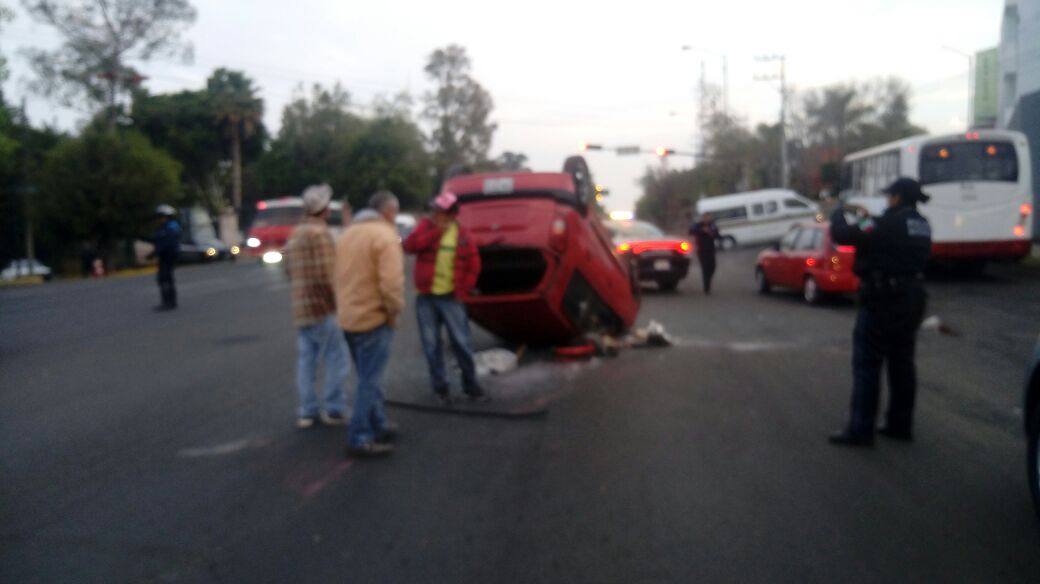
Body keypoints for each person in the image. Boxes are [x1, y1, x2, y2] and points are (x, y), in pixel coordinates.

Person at [828, 177, 932, 448]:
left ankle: (861, 430)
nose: (887, 200)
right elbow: (878, 234)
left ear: (897, 197)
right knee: (902, 363)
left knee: (867, 364)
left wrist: (838, 213)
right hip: (913, 298)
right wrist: (865, 218)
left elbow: (844, 235)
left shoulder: (884, 222)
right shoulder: (922, 224)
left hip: (882, 298)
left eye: (890, 196)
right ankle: (900, 424)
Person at [334, 190, 404, 457]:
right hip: (374, 318)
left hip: (348, 317)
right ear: (388, 212)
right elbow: (391, 284)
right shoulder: (385, 236)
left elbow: (338, 276)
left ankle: (379, 424)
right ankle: (359, 436)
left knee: (366, 377)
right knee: (370, 381)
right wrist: (394, 312)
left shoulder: (348, 234)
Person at [403, 192, 487, 405]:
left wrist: (463, 290)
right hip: (426, 298)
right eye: (434, 210)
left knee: (461, 343)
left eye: (439, 211)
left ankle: (471, 387)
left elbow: (474, 265)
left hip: (452, 298)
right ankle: (440, 389)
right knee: (431, 345)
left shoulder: (463, 234)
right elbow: (409, 246)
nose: (434, 214)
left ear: (451, 214)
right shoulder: (424, 227)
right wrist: (435, 233)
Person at [285, 184, 351, 429]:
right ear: (323, 209)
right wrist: (337, 304)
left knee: (307, 360)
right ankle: (334, 409)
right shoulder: (319, 233)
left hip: (301, 308)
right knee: (337, 357)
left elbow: (288, 270)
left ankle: (307, 411)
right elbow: (327, 276)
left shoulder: (296, 233)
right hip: (322, 308)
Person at [151, 205, 182, 311]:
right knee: (165, 278)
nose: (160, 219)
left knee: (165, 278)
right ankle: (169, 301)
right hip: (164, 256)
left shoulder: (170, 228)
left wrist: (156, 252)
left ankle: (169, 302)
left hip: (168, 256)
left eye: (162, 216)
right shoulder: (165, 227)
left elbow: (167, 244)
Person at [688, 213, 721, 294]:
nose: (707, 219)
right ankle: (706, 287)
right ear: (703, 218)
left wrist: (710, 232)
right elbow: (691, 231)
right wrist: (702, 231)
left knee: (712, 267)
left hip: (711, 249)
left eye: (709, 217)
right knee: (705, 268)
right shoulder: (698, 225)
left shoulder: (713, 225)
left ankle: (708, 280)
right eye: (705, 217)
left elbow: (718, 236)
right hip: (701, 250)